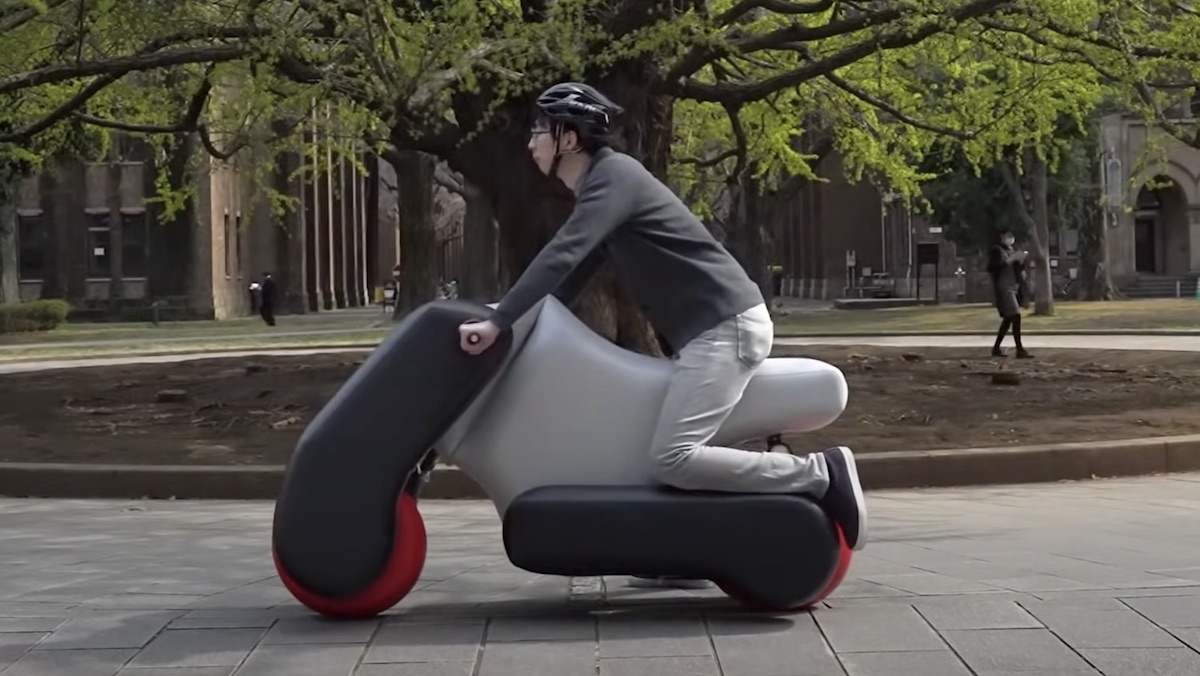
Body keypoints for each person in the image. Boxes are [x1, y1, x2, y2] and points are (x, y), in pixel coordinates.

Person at [455, 82, 868, 584]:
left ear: (568, 138)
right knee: (653, 454)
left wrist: (500, 322)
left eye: (539, 131)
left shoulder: (613, 177)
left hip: (725, 327)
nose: (530, 143)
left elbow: (564, 252)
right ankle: (683, 557)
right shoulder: (604, 186)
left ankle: (820, 475)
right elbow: (579, 269)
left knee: (674, 459)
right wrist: (526, 324)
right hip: (711, 331)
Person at [987, 229, 1032, 358]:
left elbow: (1016, 267)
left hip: (1014, 285)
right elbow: (992, 268)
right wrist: (1008, 261)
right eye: (1008, 236)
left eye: (1012, 236)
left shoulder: (1012, 250)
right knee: (1015, 315)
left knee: (1008, 318)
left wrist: (1021, 262)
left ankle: (996, 348)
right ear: (1002, 237)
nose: (1010, 239)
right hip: (1004, 286)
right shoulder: (997, 250)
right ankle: (1020, 349)